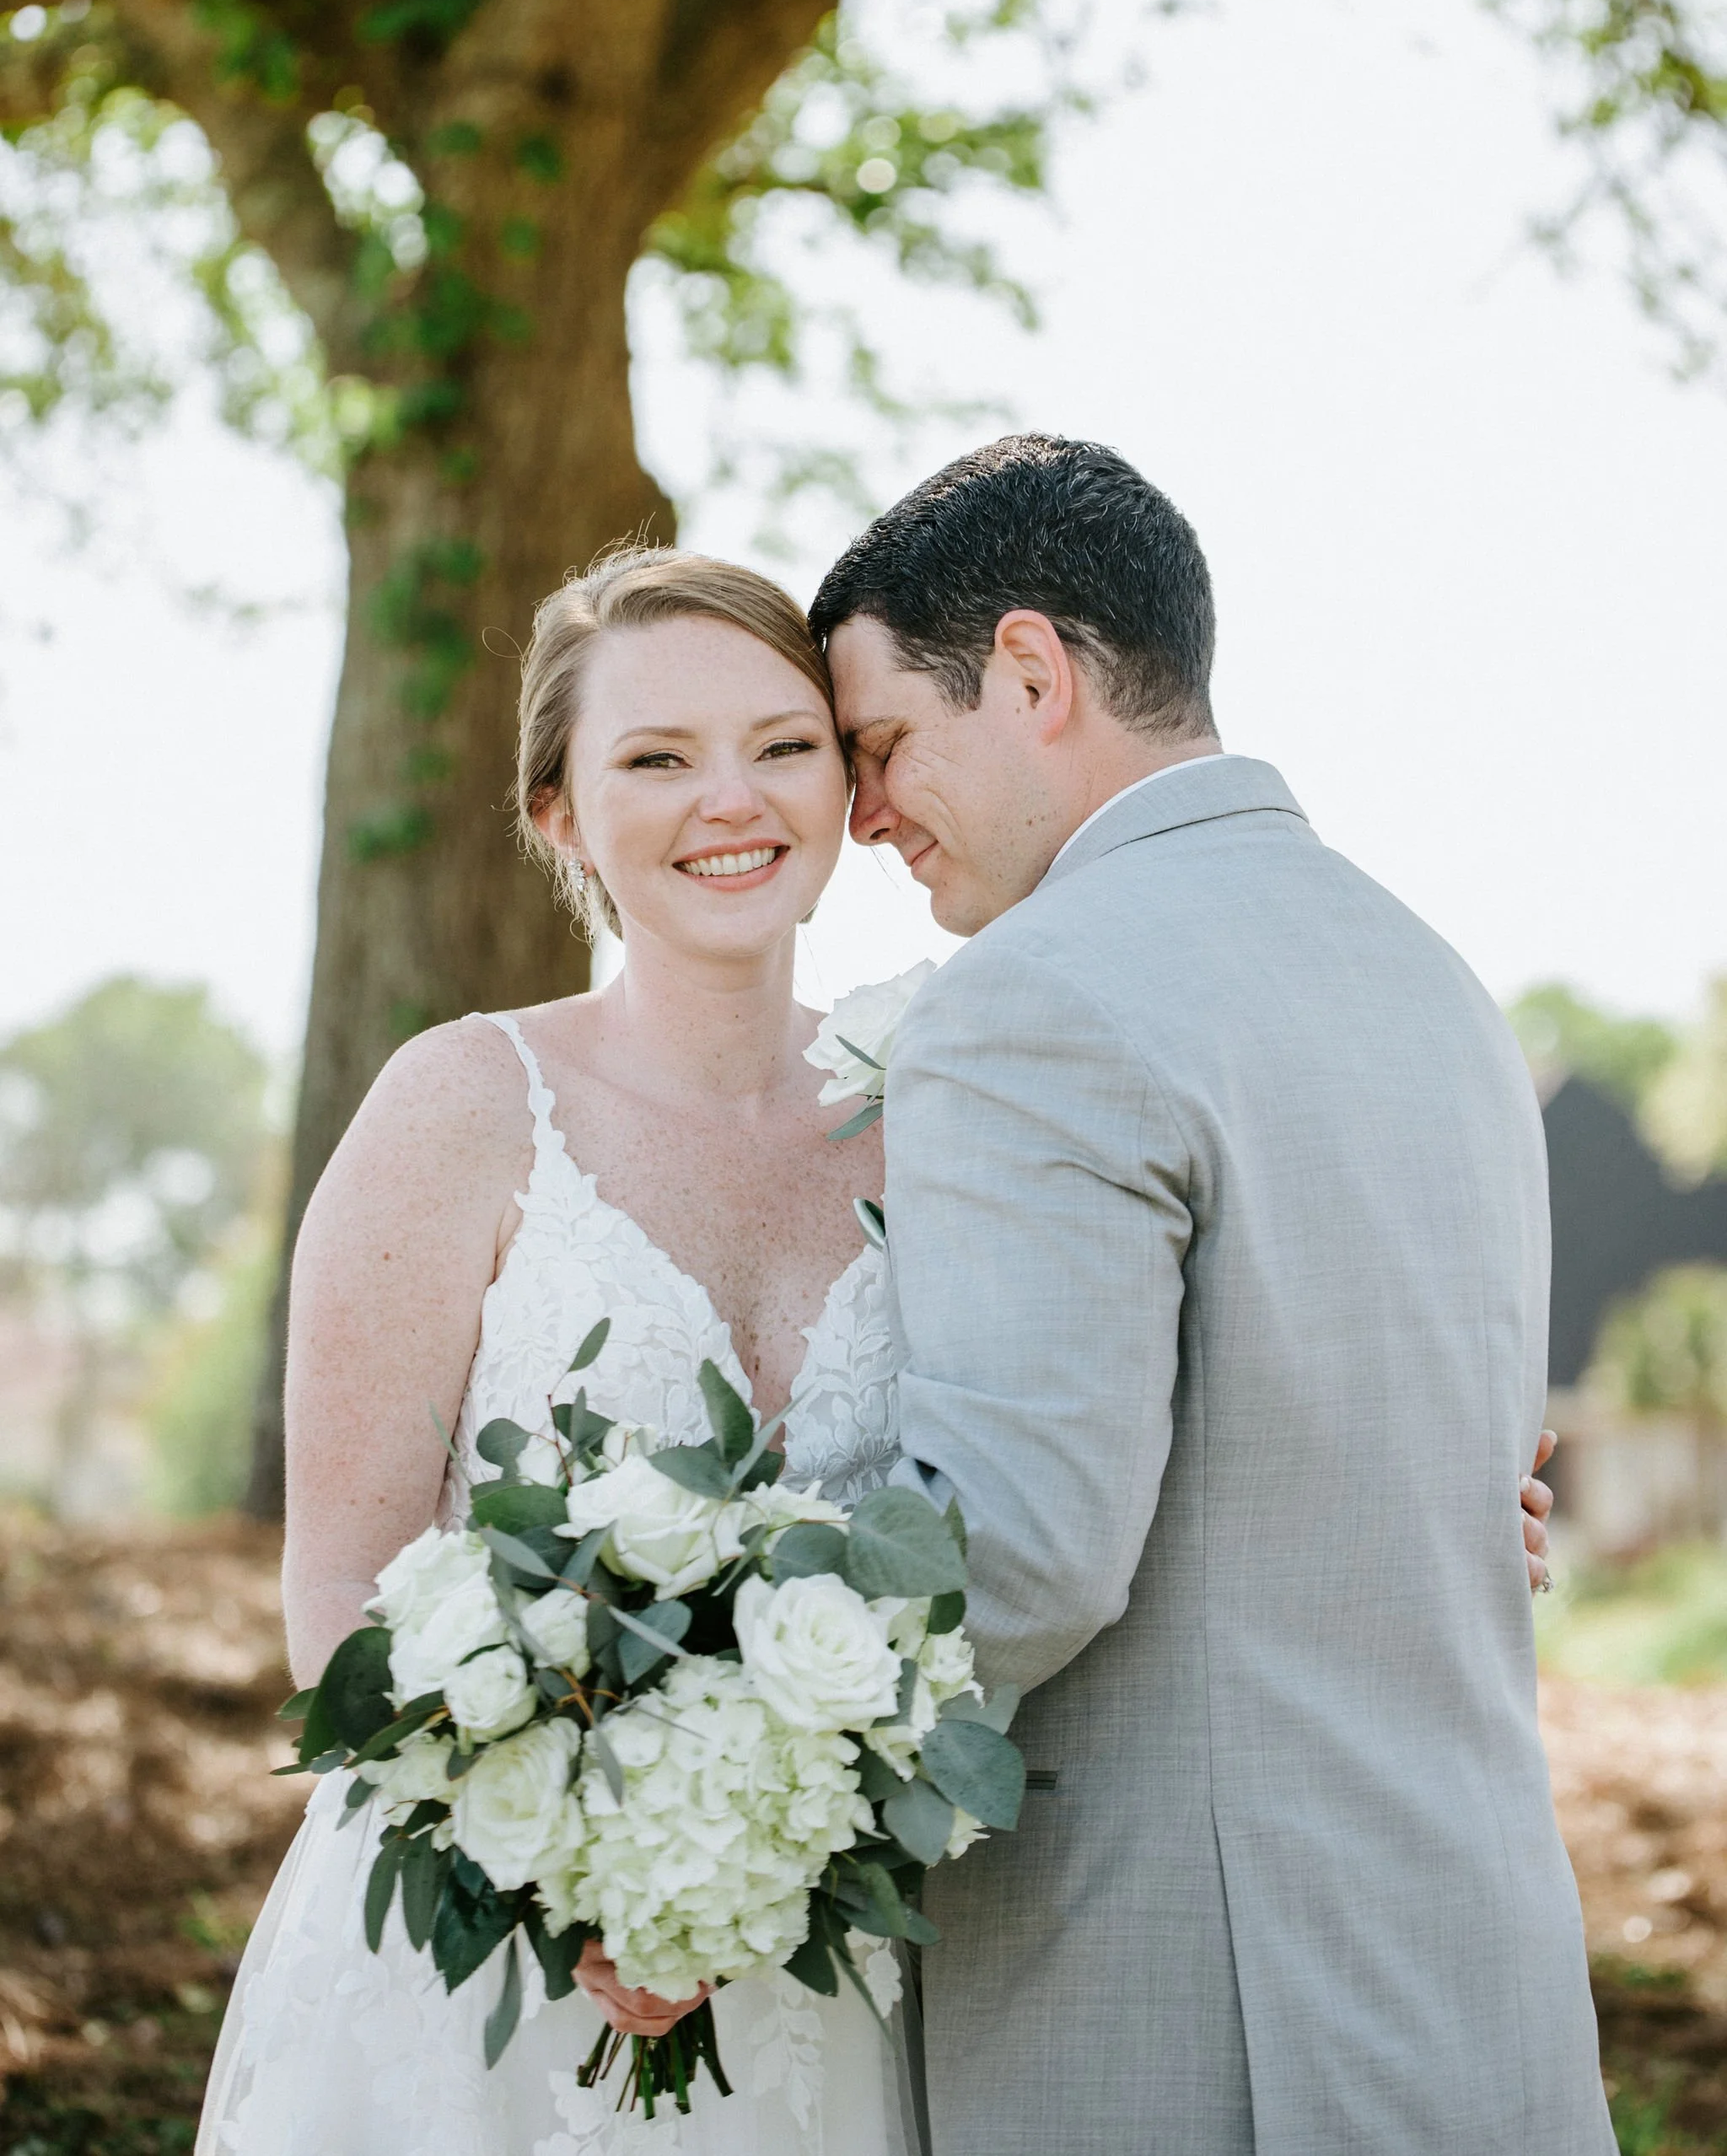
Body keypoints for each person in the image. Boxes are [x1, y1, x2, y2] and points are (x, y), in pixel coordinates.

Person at [197, 535, 1554, 2156]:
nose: (735, 799)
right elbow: (339, 1589)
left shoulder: (938, 1104)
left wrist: (1404, 1483)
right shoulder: (461, 1105)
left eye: (793, 747)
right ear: (557, 809)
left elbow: (1078, 1449)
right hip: (509, 1970)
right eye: (657, 758)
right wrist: (575, 1879)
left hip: (842, 1981)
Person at [809, 433, 1611, 2156]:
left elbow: (1012, 1554)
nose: (860, 812)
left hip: (1190, 2024)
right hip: (1477, 1978)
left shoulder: (1036, 999)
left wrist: (690, 1768)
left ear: (1029, 670)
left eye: (882, 744)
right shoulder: (1432, 980)